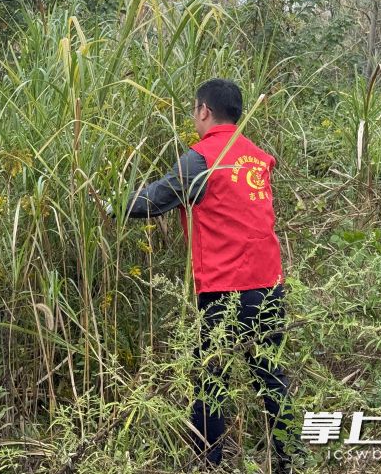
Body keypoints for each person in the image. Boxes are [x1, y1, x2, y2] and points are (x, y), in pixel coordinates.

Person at [108, 78, 294, 473]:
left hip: (225, 291)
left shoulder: (201, 158)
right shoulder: (258, 157)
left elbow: (152, 201)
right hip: (270, 287)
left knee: (211, 380)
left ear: (204, 110)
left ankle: (208, 464)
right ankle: (288, 462)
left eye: (194, 110)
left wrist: (109, 205)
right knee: (271, 377)